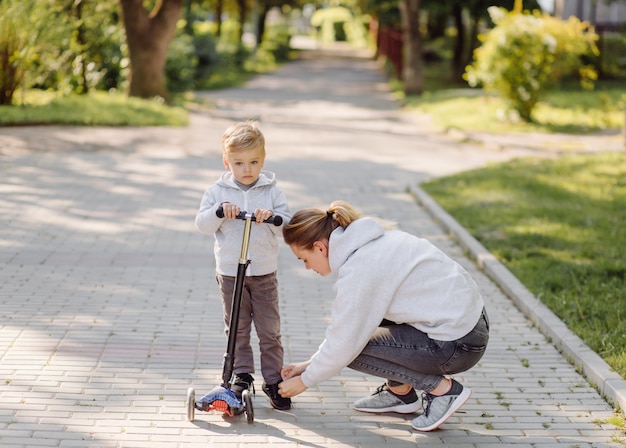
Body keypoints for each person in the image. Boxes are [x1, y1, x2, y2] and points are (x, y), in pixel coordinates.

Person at [278, 200, 489, 431]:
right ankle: (401, 393)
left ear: (320, 247)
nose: (307, 267)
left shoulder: (359, 269)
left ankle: (443, 391)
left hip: (456, 345)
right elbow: (350, 327)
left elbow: (345, 343)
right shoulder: (372, 242)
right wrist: (310, 364)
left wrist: (305, 382)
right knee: (363, 328)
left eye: (304, 259)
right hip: (468, 327)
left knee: (352, 352)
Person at [195, 120, 292, 411]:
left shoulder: (272, 192)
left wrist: (272, 217)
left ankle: (274, 381)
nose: (246, 169)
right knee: (236, 328)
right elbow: (202, 224)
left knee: (269, 330)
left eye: (253, 162)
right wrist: (220, 211)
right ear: (227, 162)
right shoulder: (216, 191)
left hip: (263, 272)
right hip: (229, 273)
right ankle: (242, 375)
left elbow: (287, 228)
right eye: (238, 163)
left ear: (263, 159)